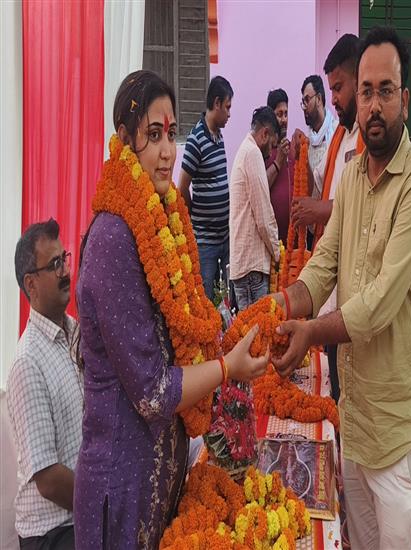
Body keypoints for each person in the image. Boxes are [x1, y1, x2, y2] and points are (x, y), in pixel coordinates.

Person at [74, 70, 268, 550]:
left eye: (171, 134)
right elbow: (154, 392)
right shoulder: (113, 239)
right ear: (124, 140)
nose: (167, 151)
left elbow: (183, 333)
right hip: (123, 491)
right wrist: (227, 367)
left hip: (158, 478)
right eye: (154, 135)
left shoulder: (161, 214)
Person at [271, 27, 411, 549]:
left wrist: (309, 331)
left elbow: (377, 305)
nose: (373, 105)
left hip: (397, 423)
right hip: (357, 415)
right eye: (366, 91)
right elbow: (325, 263)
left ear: (404, 99)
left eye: (385, 90)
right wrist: (278, 305)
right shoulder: (350, 180)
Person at [292, 33, 365, 404]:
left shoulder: (371, 138)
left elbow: (365, 207)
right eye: (331, 89)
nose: (333, 98)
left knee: (351, 390)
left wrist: (318, 210)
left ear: (359, 81)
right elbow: (323, 187)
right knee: (338, 388)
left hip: (357, 292)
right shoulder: (339, 134)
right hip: (332, 275)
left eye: (338, 88)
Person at [7, 218, 82, 550]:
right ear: (31, 284)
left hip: (81, 513)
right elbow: (49, 480)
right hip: (52, 533)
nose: (65, 271)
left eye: (64, 259)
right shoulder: (27, 363)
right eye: (54, 265)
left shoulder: (76, 333)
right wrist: (105, 500)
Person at [178, 76, 233, 301]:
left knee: (228, 299)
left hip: (225, 237)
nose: (229, 114)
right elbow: (182, 187)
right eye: (227, 107)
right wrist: (197, 217)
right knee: (206, 300)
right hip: (205, 242)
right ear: (217, 103)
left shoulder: (219, 136)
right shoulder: (196, 139)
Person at [229, 106, 281, 311]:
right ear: (265, 134)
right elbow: (263, 216)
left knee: (248, 328)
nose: (271, 152)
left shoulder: (245, 150)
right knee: (257, 329)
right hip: (252, 268)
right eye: (272, 145)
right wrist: (277, 254)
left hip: (246, 267)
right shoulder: (252, 153)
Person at [266, 88, 294, 245]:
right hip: (271, 243)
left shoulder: (292, 148)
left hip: (293, 243)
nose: (284, 119)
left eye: (286, 114)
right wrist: (279, 160)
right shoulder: (263, 151)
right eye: (279, 114)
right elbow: (261, 187)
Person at [300, 74, 337, 172]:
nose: (304, 107)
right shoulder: (306, 142)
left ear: (319, 99)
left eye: (307, 100)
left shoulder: (337, 131)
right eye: (303, 102)